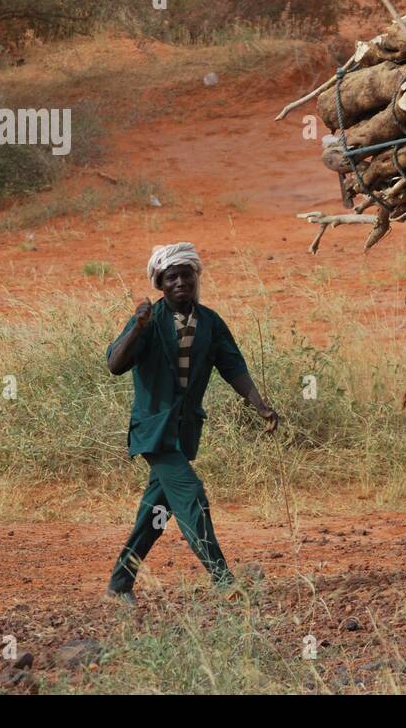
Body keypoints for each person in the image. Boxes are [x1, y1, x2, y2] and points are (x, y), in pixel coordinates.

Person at [104, 242, 278, 605]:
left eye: (187, 275)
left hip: (184, 432)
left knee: (156, 512)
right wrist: (137, 327)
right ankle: (223, 580)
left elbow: (233, 367)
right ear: (160, 283)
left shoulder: (210, 323)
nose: (181, 282)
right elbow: (115, 364)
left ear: (196, 278)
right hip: (154, 431)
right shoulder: (148, 320)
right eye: (172, 277)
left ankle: (120, 582)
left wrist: (259, 404)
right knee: (192, 498)